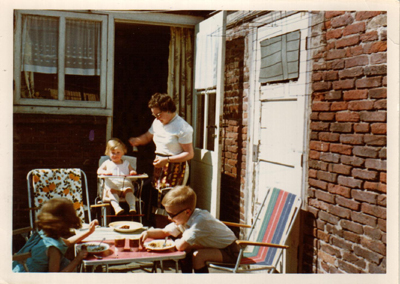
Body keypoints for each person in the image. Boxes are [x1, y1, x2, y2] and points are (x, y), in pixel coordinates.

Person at [139, 185, 240, 273]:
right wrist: (148, 233)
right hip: (215, 247)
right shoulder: (182, 218)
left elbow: (181, 246)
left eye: (171, 214)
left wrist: (175, 242)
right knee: (188, 249)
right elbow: (164, 232)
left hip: (231, 251)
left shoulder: (200, 221)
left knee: (198, 256)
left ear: (187, 212)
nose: (169, 218)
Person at [129, 93, 194, 216]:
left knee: (172, 201)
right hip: (159, 165)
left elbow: (189, 154)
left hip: (175, 168)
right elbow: (148, 137)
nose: (157, 117)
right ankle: (161, 230)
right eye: (154, 115)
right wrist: (137, 140)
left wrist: (168, 160)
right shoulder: (157, 122)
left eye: (158, 114)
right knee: (158, 201)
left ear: (168, 110)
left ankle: (173, 232)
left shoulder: (183, 127)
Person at [12, 198, 99, 272]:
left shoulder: (45, 234)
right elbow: (55, 278)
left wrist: (89, 232)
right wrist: (77, 259)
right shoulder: (53, 250)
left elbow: (67, 242)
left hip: (20, 268)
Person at [98, 138, 138, 215]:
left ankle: (132, 207)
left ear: (123, 152)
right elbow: (99, 171)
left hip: (125, 188)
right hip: (113, 188)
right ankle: (117, 208)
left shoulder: (126, 163)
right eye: (113, 153)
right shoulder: (107, 163)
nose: (115, 155)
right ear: (108, 153)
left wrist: (132, 172)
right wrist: (105, 172)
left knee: (129, 191)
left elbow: (132, 170)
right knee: (111, 192)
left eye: (118, 153)